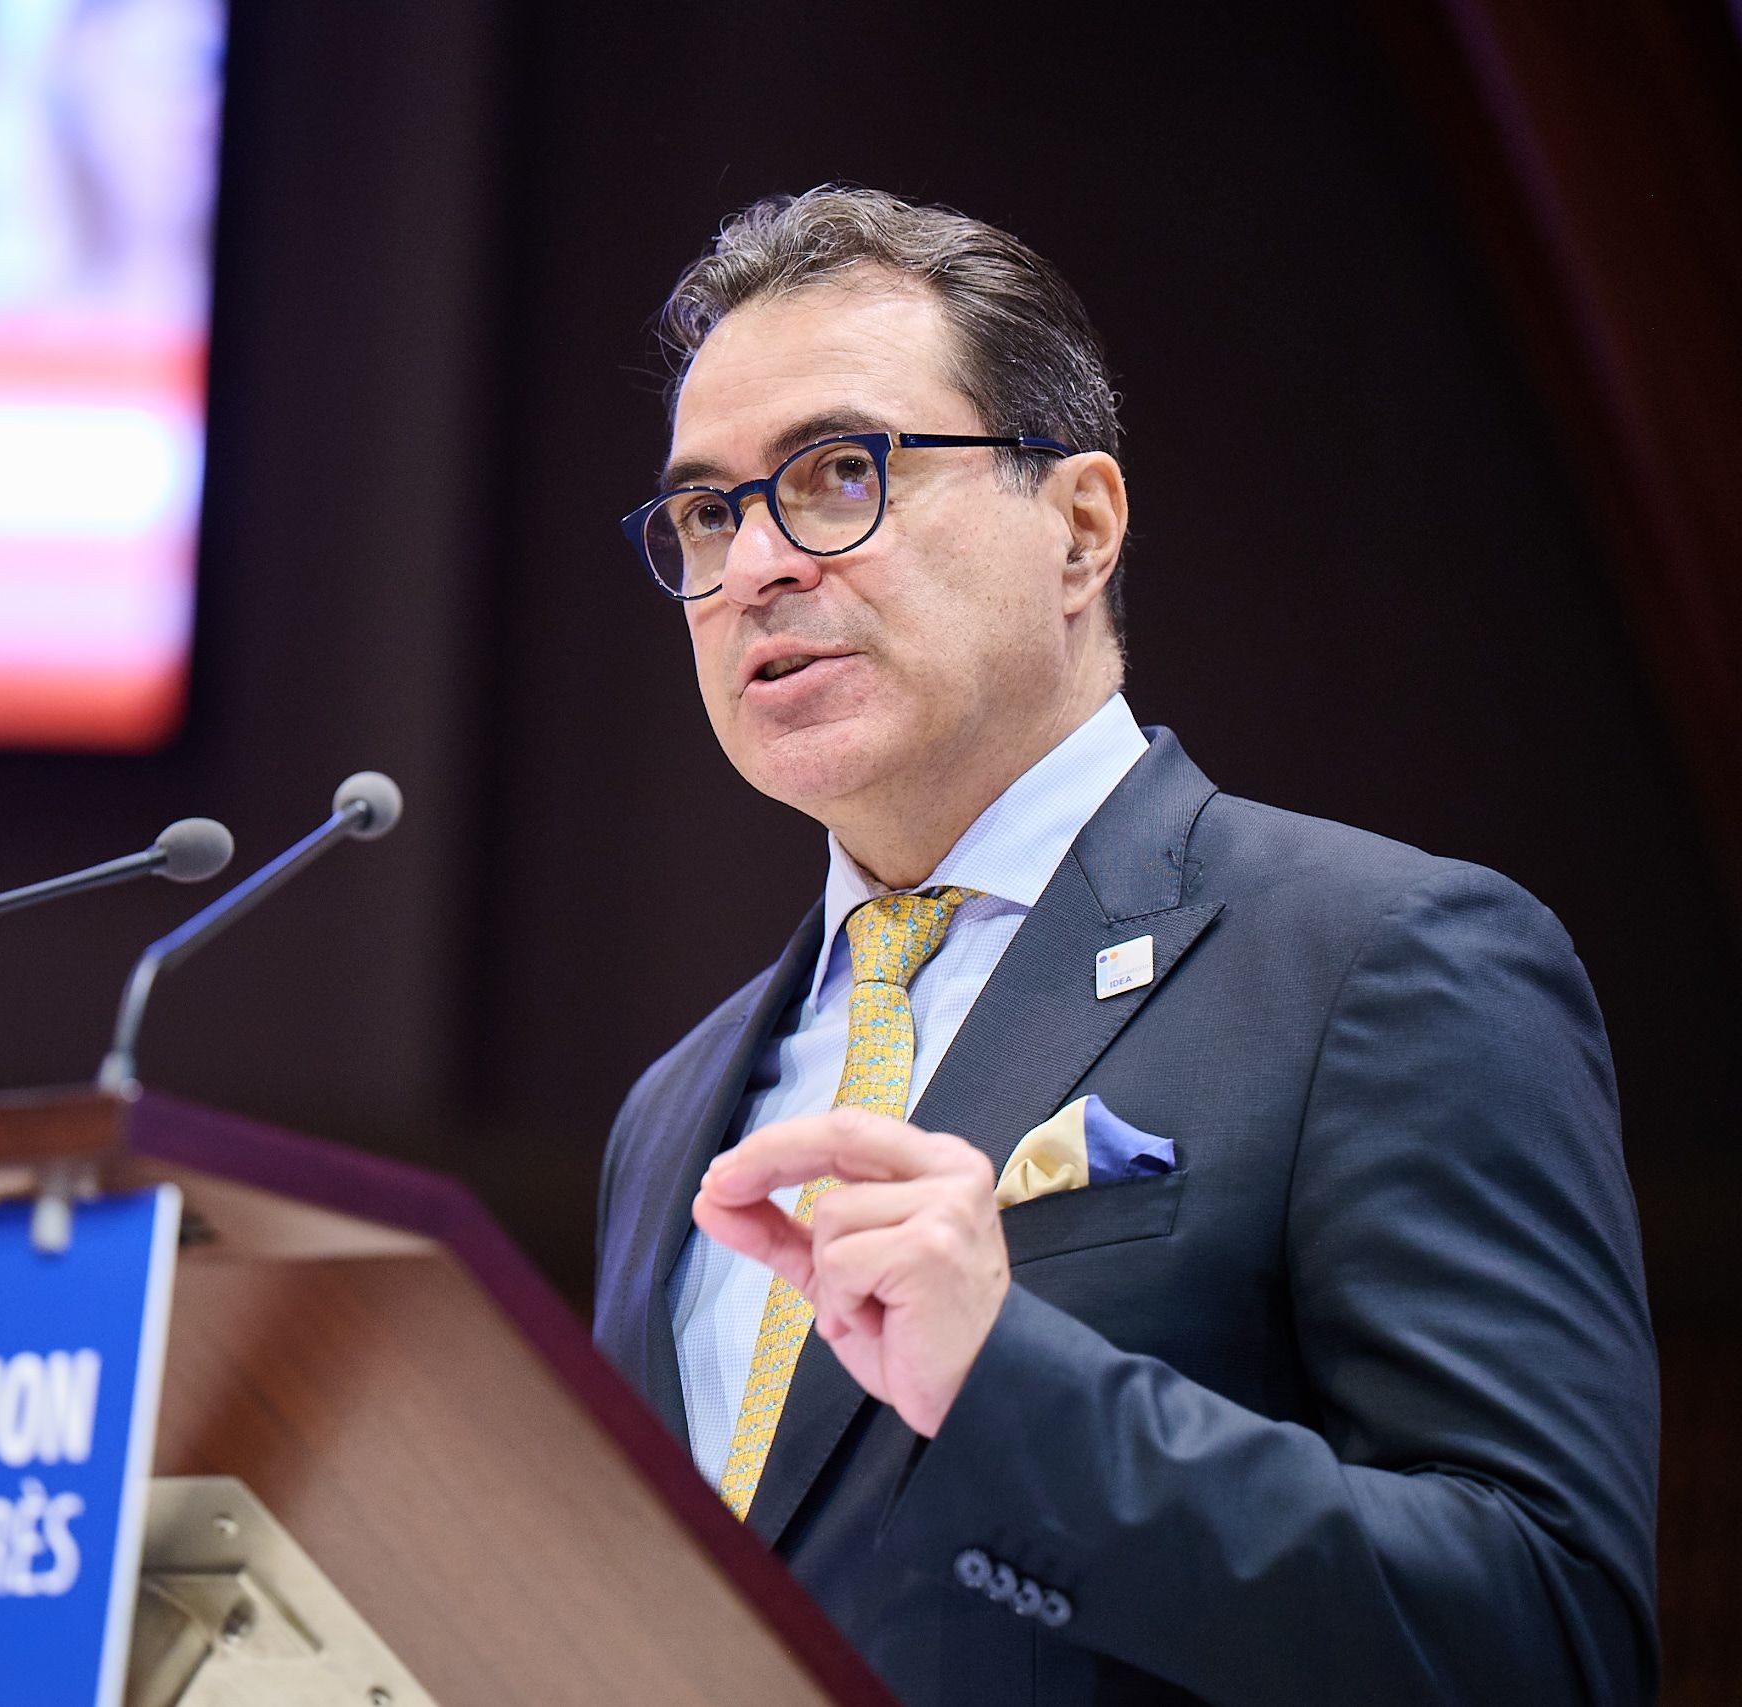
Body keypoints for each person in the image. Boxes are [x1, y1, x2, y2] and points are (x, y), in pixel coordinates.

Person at [591, 185, 1657, 1705]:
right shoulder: (669, 1118)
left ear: (1080, 529)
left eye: (838, 476)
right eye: (709, 512)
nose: (756, 563)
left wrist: (1009, 1388)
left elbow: (1549, 1635)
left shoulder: (1383, 963)